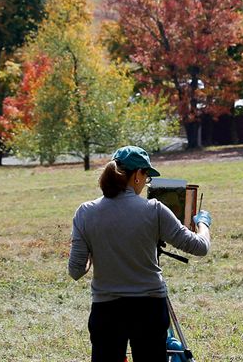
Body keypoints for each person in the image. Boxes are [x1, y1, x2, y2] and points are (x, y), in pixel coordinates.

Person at [68, 145, 212, 362]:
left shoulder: (85, 212)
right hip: (149, 308)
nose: (146, 183)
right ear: (137, 175)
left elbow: (76, 270)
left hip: (106, 310)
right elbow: (200, 247)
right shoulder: (154, 210)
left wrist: (95, 248)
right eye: (147, 176)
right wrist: (202, 223)